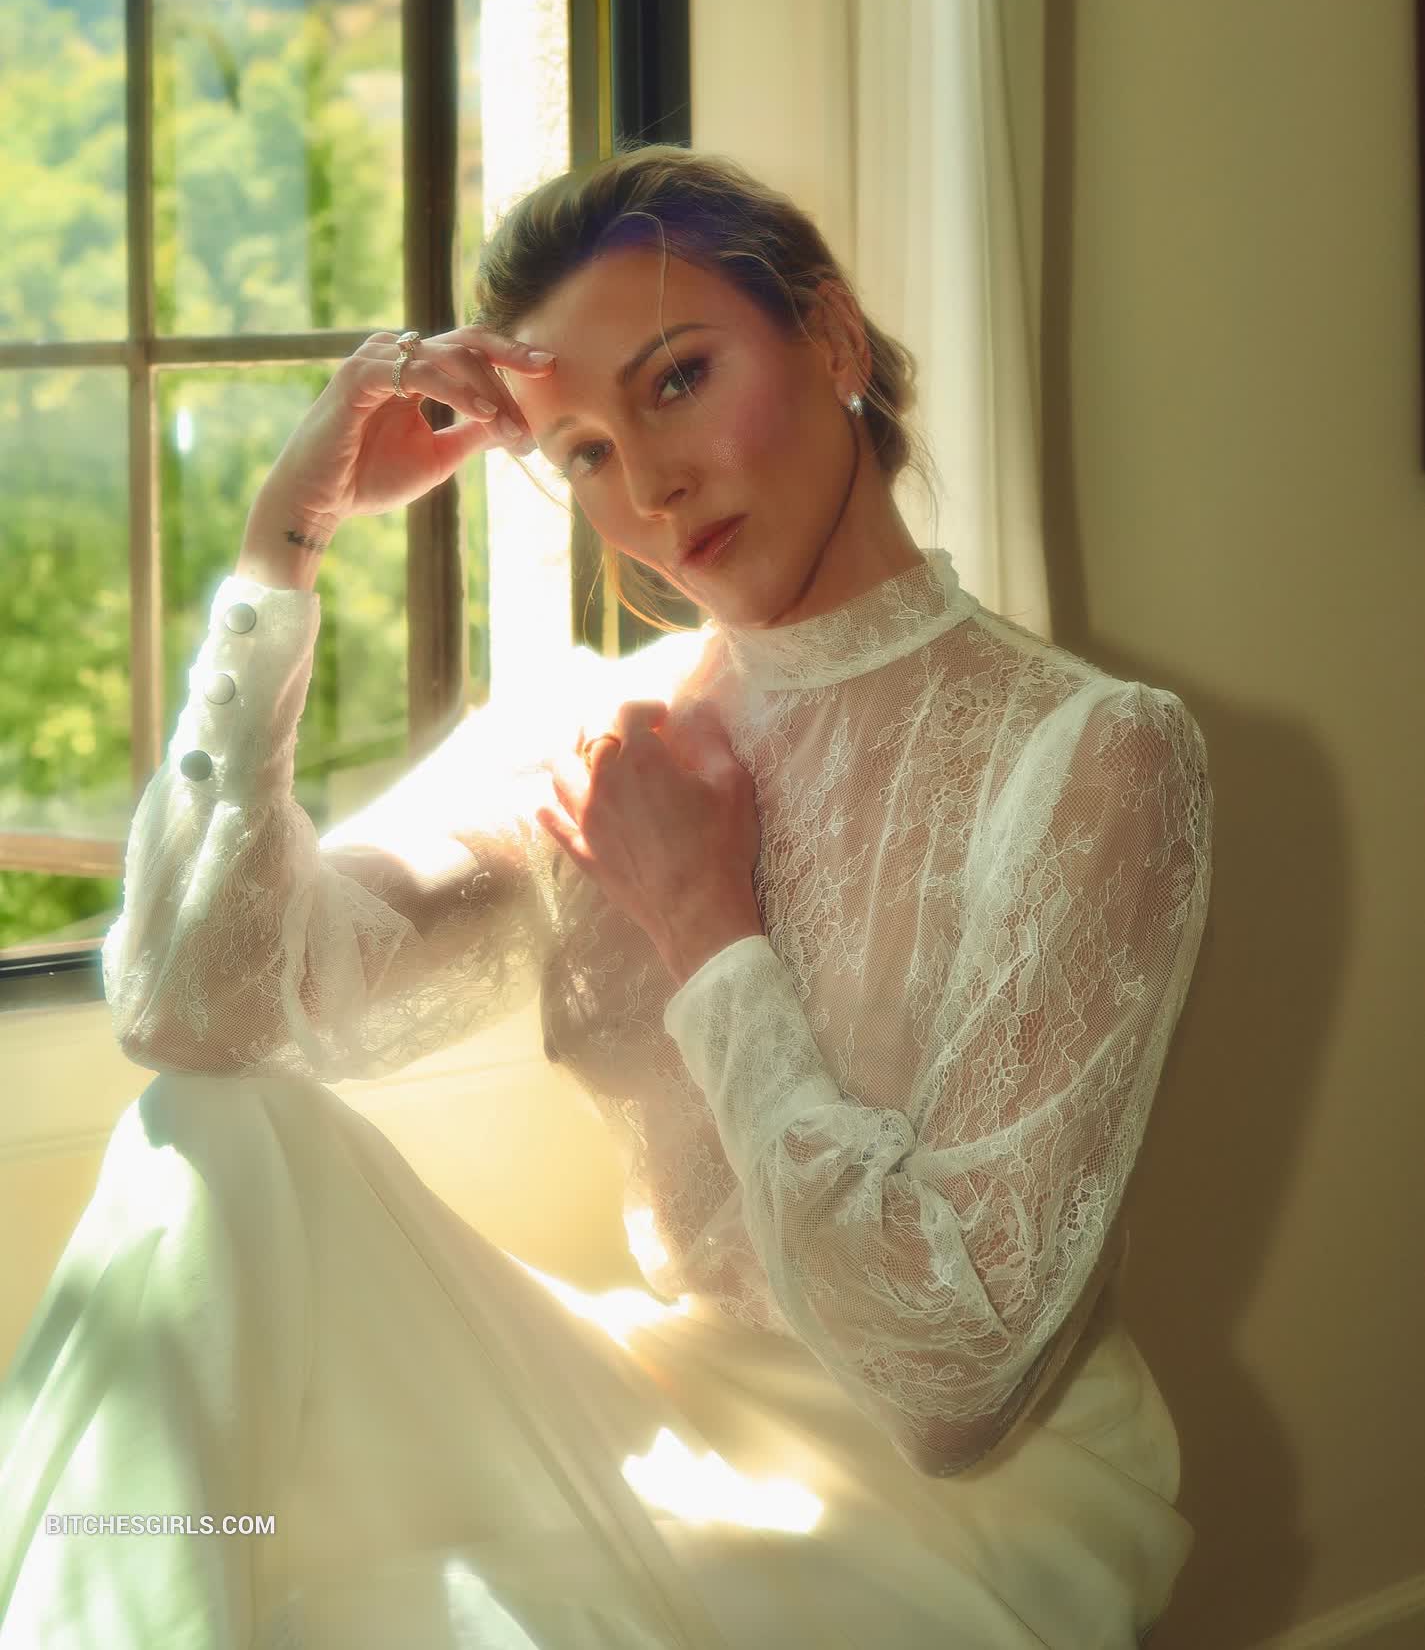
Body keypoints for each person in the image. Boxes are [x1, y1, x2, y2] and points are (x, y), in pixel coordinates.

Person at [0, 145, 1212, 1648]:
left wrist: (708, 926)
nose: (645, 484)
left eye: (677, 379)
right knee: (206, 1142)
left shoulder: (1094, 753)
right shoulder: (597, 740)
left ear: (831, 338)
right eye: (579, 450)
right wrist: (282, 547)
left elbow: (952, 1384)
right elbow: (191, 1013)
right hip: (674, 1405)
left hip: (975, 1498)